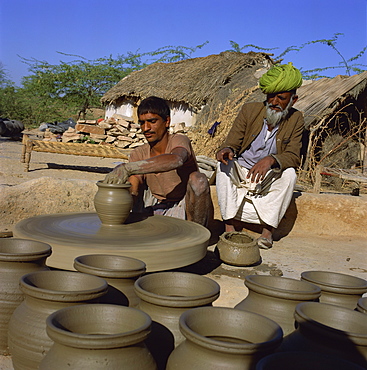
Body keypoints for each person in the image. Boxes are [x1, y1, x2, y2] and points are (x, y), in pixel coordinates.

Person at [215, 62, 304, 249]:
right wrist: (227, 150)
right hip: (242, 172)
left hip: (267, 177)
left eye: (281, 98)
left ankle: (267, 232)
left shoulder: (296, 118)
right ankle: (229, 227)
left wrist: (272, 160)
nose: (274, 102)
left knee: (289, 175)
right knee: (222, 166)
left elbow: (294, 156)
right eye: (271, 96)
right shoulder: (250, 110)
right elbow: (232, 143)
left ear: (293, 100)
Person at [103, 96, 213, 227]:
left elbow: (176, 160)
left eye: (152, 121)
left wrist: (128, 168)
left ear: (167, 121)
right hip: (155, 204)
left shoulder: (179, 140)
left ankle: (196, 236)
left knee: (198, 179)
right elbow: (134, 187)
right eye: (142, 123)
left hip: (184, 206)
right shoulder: (139, 153)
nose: (146, 128)